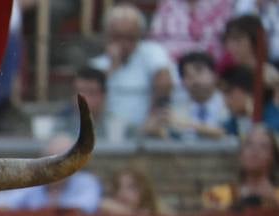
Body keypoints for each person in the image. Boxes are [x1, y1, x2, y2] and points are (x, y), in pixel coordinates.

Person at [91, 3, 177, 134]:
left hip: (148, 131)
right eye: (118, 37)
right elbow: (88, 101)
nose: (124, 43)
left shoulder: (152, 52)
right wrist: (112, 67)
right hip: (107, 132)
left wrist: (154, 116)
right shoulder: (97, 65)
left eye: (130, 38)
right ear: (107, 36)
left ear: (139, 36)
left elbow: (164, 82)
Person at [0, 134, 102, 214]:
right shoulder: (33, 183)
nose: (58, 167)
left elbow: (85, 207)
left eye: (65, 161)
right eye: (52, 161)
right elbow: (1, 204)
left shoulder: (86, 182)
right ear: (43, 162)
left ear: (75, 162)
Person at [141, 50, 227, 138]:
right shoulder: (175, 109)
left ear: (215, 75)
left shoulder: (228, 104)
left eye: (199, 71)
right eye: (187, 75)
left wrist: (186, 124)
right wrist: (154, 128)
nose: (194, 79)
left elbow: (226, 134)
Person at [202, 123, 279, 210]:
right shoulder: (215, 195)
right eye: (249, 145)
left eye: (263, 146)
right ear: (241, 154)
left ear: (273, 156)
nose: (255, 151)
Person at [147, 0, 231, 62]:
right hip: (171, 66)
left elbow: (229, 39)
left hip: (211, 65)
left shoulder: (222, 3)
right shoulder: (168, 3)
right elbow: (155, 39)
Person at [100, 166, 169, 215]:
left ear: (145, 191)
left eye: (131, 187)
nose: (122, 192)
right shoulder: (106, 212)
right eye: (117, 187)